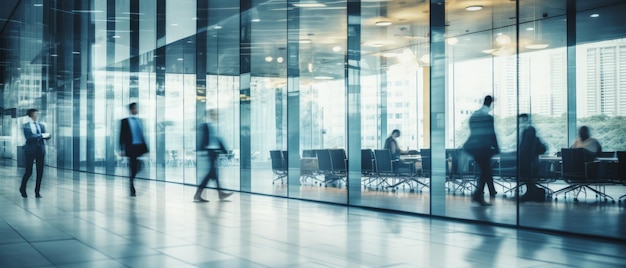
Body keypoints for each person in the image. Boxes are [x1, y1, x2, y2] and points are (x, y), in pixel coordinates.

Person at [463, 95, 499, 206]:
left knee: (486, 171)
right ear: (491, 104)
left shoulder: (474, 115)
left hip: (472, 148)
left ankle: (478, 196)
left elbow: (473, 132)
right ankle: (478, 196)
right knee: (486, 171)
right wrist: (497, 148)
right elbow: (492, 134)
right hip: (482, 149)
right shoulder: (488, 118)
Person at [194, 109, 233, 202]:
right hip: (210, 152)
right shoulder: (205, 125)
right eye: (214, 114)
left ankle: (220, 193)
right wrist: (202, 150)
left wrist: (224, 150)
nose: (216, 116)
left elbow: (218, 140)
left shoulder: (215, 126)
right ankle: (199, 194)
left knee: (214, 174)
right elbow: (202, 139)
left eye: (216, 114)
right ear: (210, 115)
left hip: (215, 152)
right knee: (211, 174)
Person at [19, 109, 51, 198]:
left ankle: (37, 192)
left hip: (40, 150)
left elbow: (46, 135)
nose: (36, 115)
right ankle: (22, 188)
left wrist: (48, 136)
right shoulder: (26, 126)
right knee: (28, 171)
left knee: (40, 172)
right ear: (30, 115)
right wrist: (41, 136)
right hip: (30, 151)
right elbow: (29, 137)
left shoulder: (41, 125)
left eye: (37, 113)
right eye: (35, 114)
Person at [119, 103, 149, 197]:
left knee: (138, 166)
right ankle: (131, 185)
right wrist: (122, 149)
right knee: (133, 166)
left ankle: (131, 179)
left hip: (139, 146)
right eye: (135, 108)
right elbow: (121, 136)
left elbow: (141, 134)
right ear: (131, 109)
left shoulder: (139, 121)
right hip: (131, 147)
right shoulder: (124, 121)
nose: (136, 110)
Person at [518, 114, 547, 202]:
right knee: (527, 178)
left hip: (528, 160)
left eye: (522, 120)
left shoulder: (530, 130)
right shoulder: (527, 130)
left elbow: (526, 146)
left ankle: (531, 193)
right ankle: (531, 193)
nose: (521, 122)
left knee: (527, 177)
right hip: (528, 159)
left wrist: (519, 154)